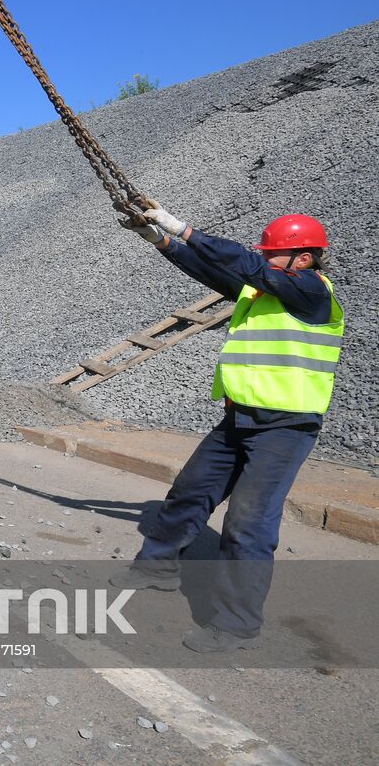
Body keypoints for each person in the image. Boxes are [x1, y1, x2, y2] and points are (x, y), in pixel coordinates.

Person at [111, 209, 344, 652]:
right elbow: (214, 271)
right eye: (267, 255)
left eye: (274, 255)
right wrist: (160, 240)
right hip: (238, 420)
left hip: (285, 428)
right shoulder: (265, 291)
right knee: (190, 491)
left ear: (304, 259)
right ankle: (156, 568)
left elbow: (244, 263)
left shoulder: (312, 292)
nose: (266, 260)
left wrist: (181, 227)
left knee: (248, 523)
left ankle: (237, 625)